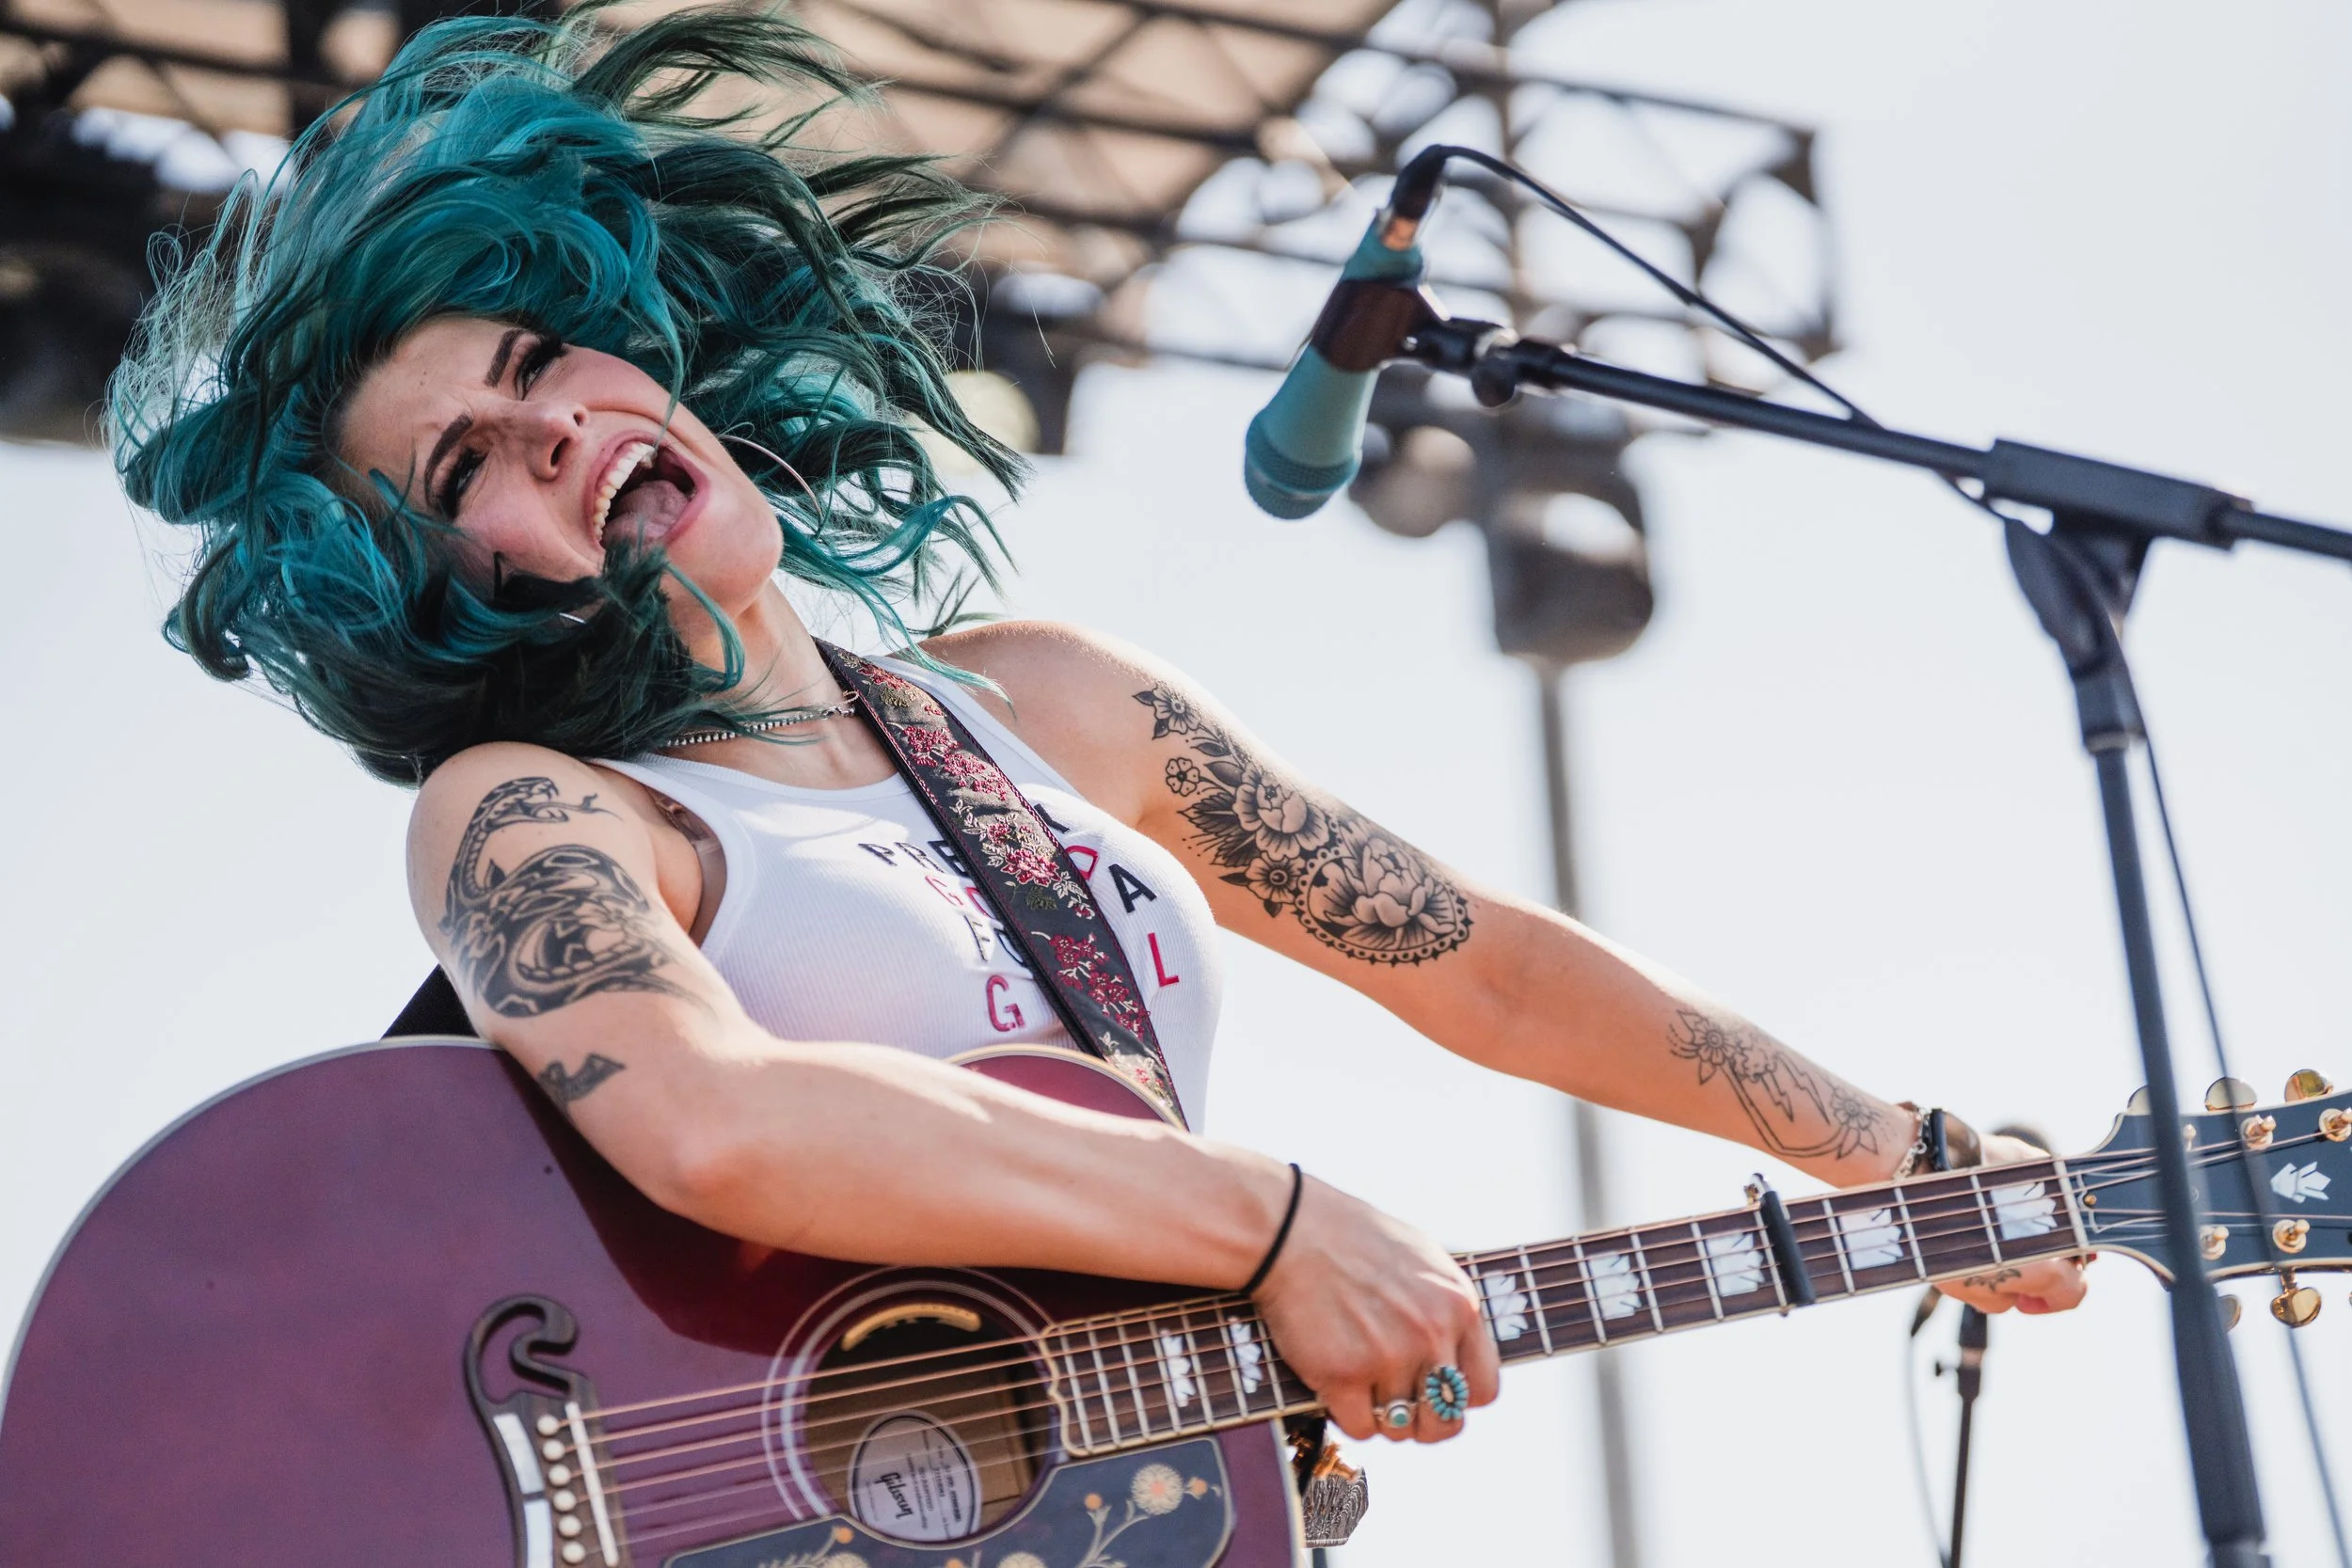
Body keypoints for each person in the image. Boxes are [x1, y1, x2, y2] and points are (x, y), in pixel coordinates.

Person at [110, 5, 2086, 1453]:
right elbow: (714, 1119)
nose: (552, 419)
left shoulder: (1042, 705)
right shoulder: (538, 811)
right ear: (443, 576)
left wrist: (1892, 1155)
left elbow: (1479, 967)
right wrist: (1269, 1224)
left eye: (545, 359)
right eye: (471, 453)